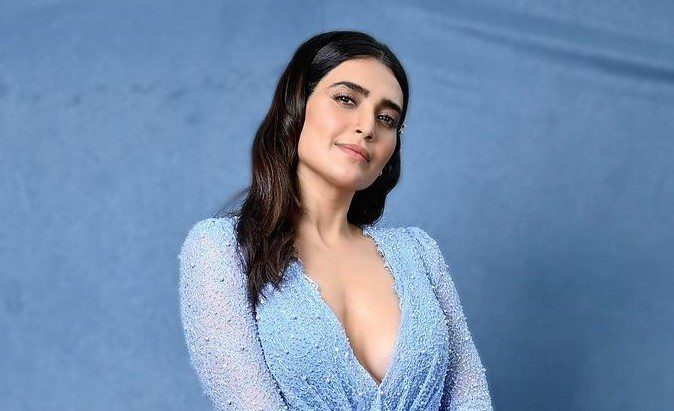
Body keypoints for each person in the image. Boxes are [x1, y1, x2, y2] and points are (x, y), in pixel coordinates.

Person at [178, 30, 493, 410]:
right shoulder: (223, 249)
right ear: (296, 105)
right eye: (346, 99)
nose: (367, 127)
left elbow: (471, 398)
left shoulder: (419, 253)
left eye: (387, 118)